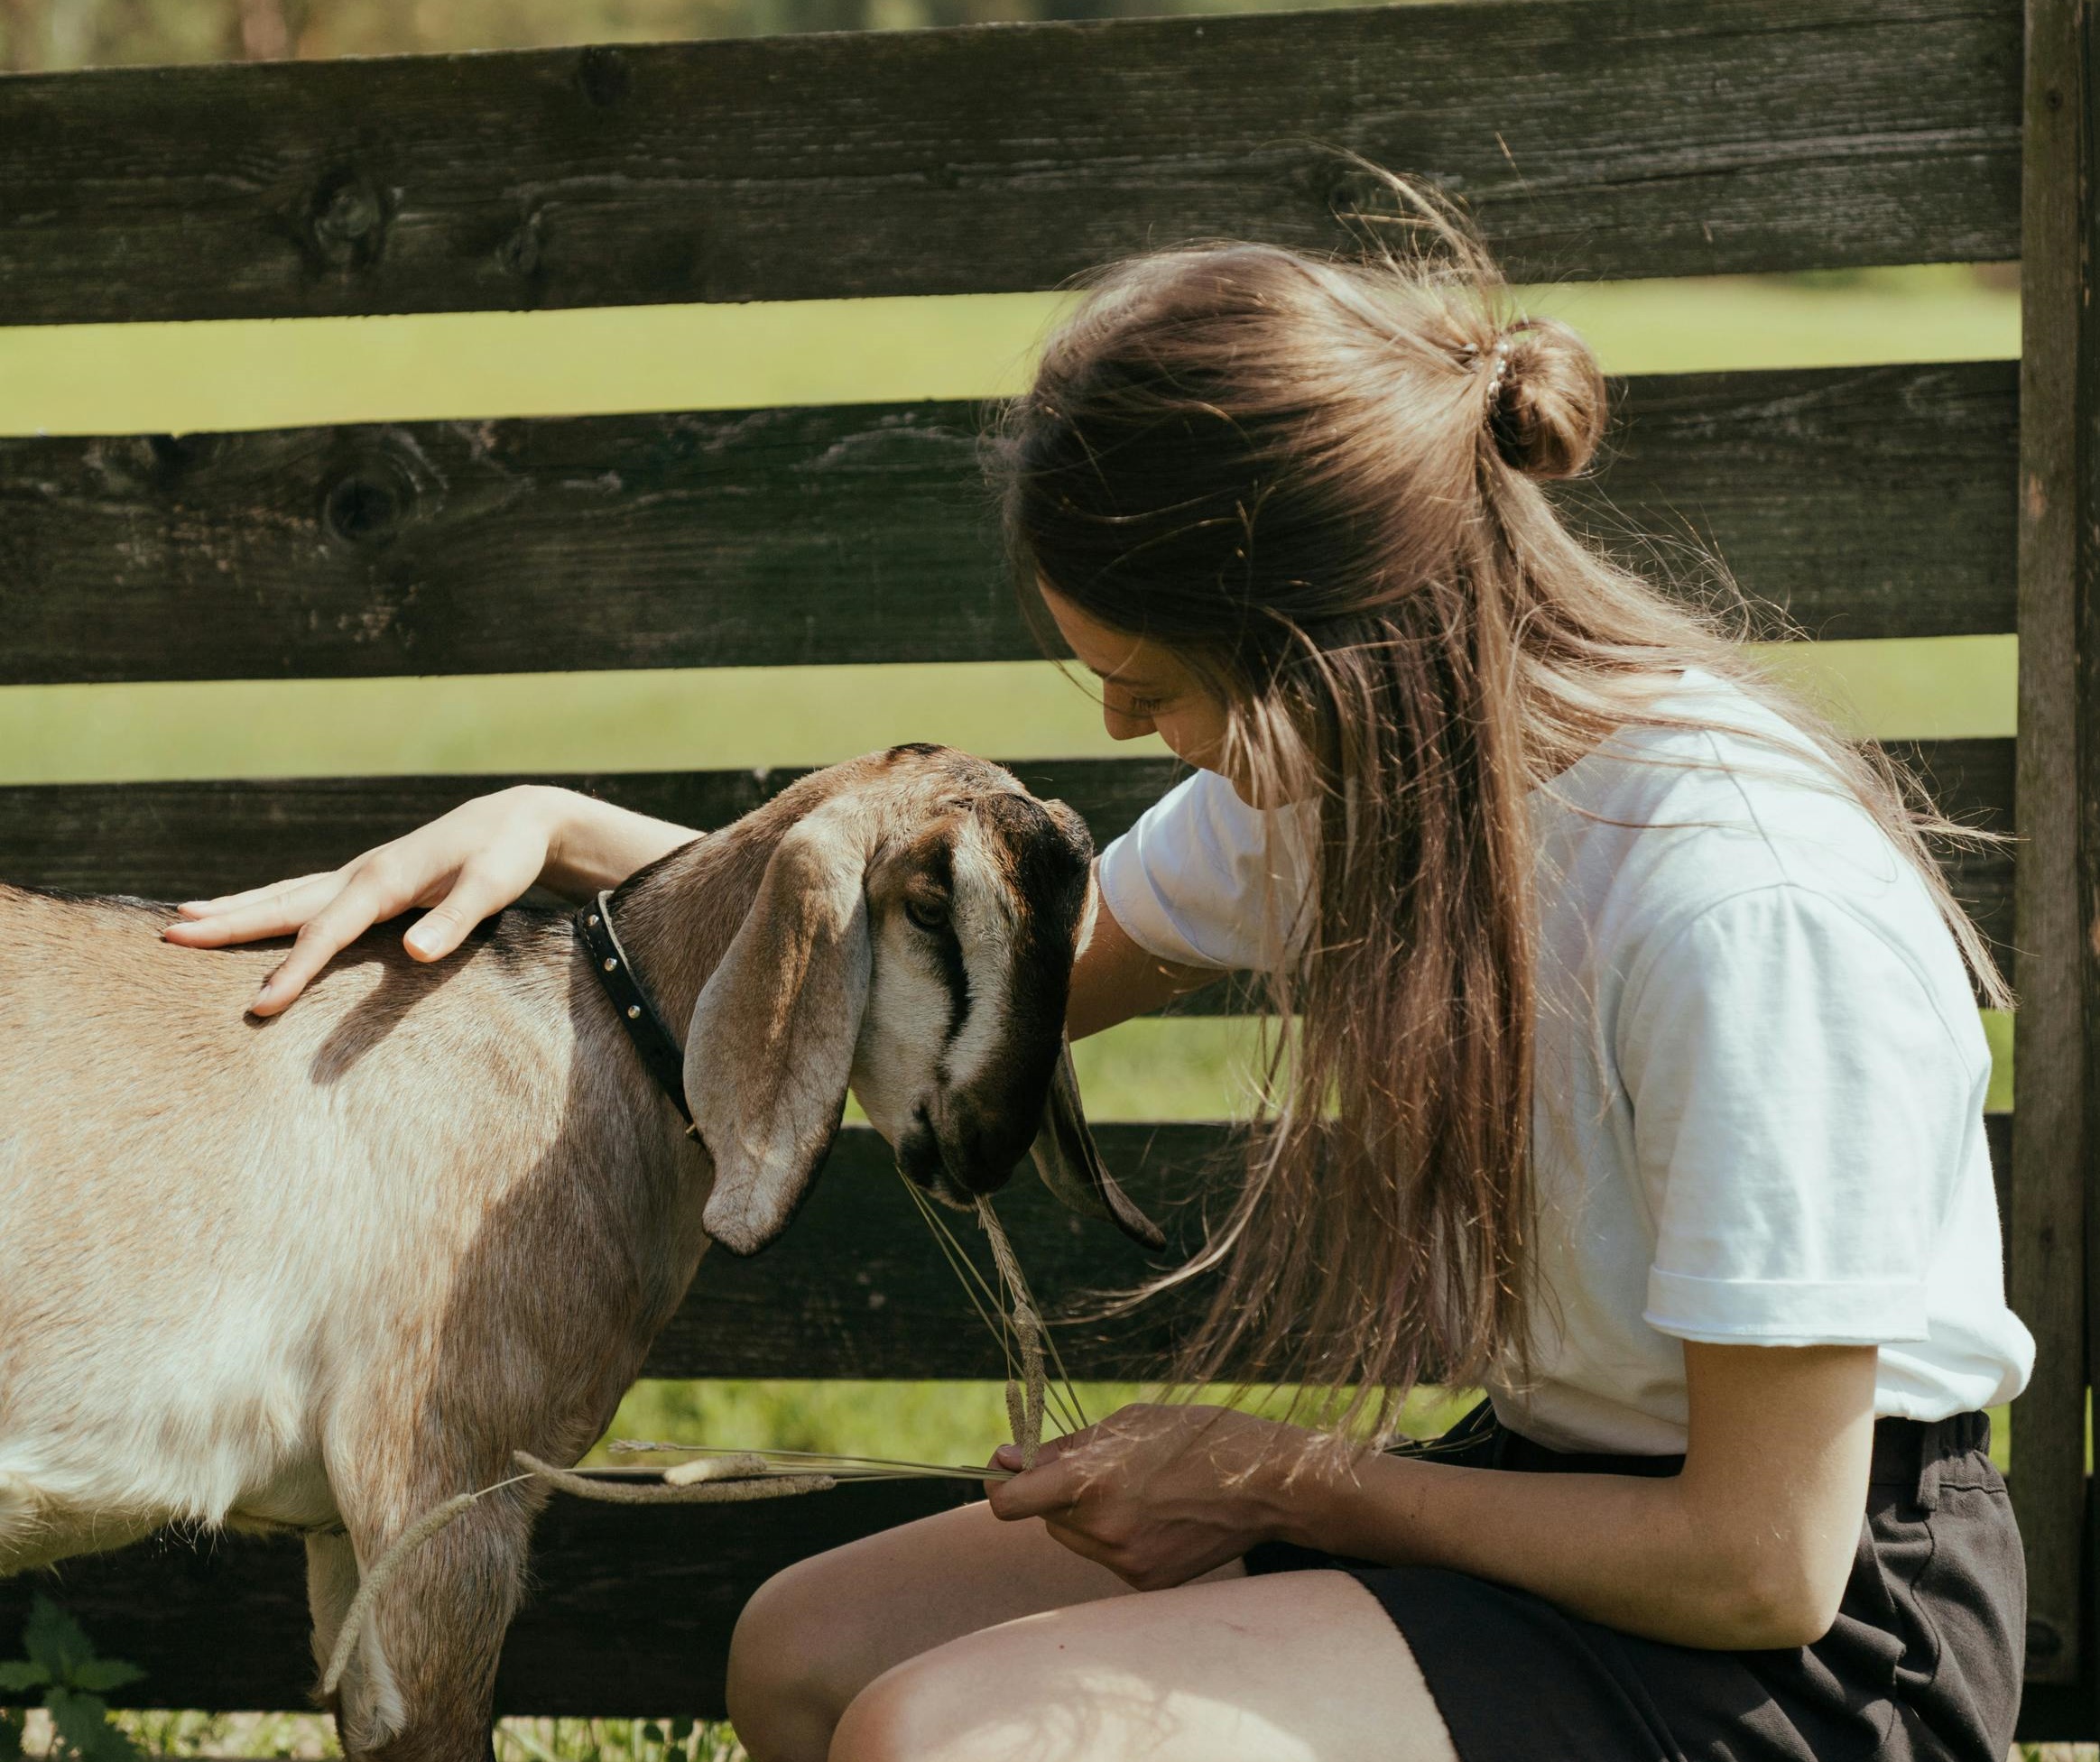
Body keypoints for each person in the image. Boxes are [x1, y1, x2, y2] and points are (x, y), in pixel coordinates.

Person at [167, 186, 2034, 1762]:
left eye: (1153, 680)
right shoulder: (1339, 768)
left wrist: (1281, 1476)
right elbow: (978, 980)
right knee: (806, 1656)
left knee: (949, 1738)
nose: (1135, 733)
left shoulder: (1738, 905)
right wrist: (571, 829)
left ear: (1326, 637)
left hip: (1807, 1654)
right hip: (1550, 1504)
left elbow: (1762, 1559)